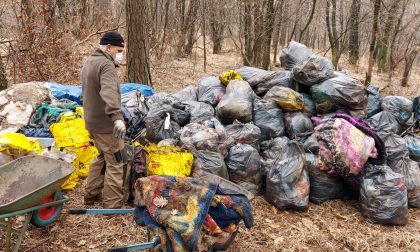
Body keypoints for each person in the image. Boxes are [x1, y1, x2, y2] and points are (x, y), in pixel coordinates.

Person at [81, 31, 127, 208]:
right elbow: (108, 92)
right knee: (115, 160)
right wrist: (117, 117)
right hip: (106, 125)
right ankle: (113, 203)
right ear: (108, 47)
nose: (119, 55)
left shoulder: (89, 62)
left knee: (101, 156)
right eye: (118, 51)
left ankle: (91, 194)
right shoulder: (106, 65)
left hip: (92, 123)